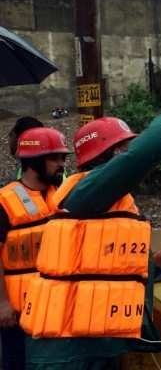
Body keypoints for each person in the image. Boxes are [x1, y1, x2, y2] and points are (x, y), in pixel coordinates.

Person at [18, 77, 161, 370]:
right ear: (112, 154)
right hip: (66, 353)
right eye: (127, 146)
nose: (132, 150)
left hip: (92, 345)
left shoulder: (100, 200)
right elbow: (140, 157)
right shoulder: (86, 192)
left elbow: (99, 269)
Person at [0, 127, 72, 370]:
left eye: (63, 157)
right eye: (55, 158)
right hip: (18, 313)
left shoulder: (64, 195)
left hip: (58, 305)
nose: (62, 163)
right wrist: (2, 303)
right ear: (32, 162)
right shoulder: (4, 201)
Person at [3, 117, 45, 186]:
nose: (9, 141)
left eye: (12, 136)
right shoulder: (24, 166)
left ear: (22, 139)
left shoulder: (44, 173)